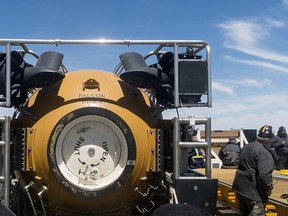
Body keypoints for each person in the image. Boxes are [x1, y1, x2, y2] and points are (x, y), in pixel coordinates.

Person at [232, 125, 276, 216]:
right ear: (269, 139)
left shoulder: (247, 147)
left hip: (240, 189)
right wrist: (268, 188)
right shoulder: (264, 152)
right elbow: (264, 174)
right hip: (253, 193)